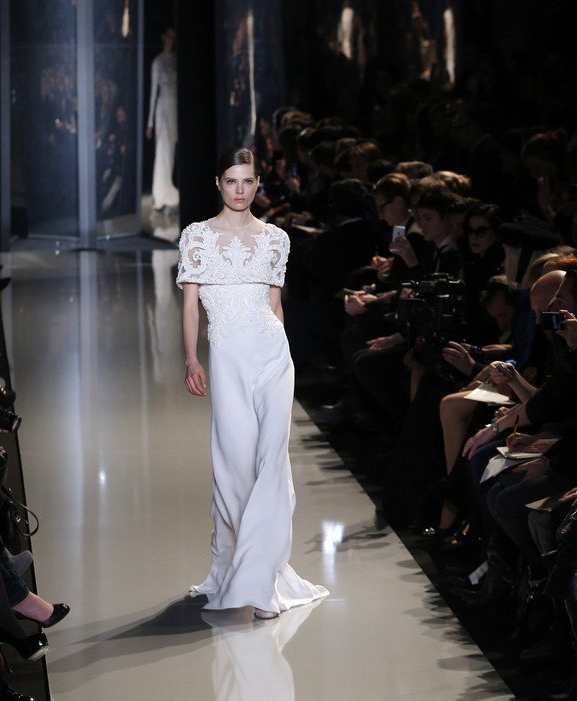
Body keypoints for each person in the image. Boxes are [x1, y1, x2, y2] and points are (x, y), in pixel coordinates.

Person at [177, 147, 329, 619]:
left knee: (271, 464)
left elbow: (274, 305)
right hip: (227, 360)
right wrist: (191, 358)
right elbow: (190, 306)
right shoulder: (197, 236)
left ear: (258, 184)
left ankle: (260, 581)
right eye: (231, 181)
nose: (239, 190)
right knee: (235, 465)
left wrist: (284, 353)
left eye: (247, 181)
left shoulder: (276, 239)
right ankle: (237, 565)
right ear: (218, 184)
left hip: (272, 357)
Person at [146, 28, 179, 212]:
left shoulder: (175, 60)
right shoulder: (157, 62)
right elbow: (153, 92)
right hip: (163, 108)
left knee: (171, 150)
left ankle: (168, 187)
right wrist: (149, 123)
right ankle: (160, 193)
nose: (171, 39)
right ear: (163, 37)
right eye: (169, 36)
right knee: (162, 150)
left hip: (174, 108)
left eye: (173, 37)